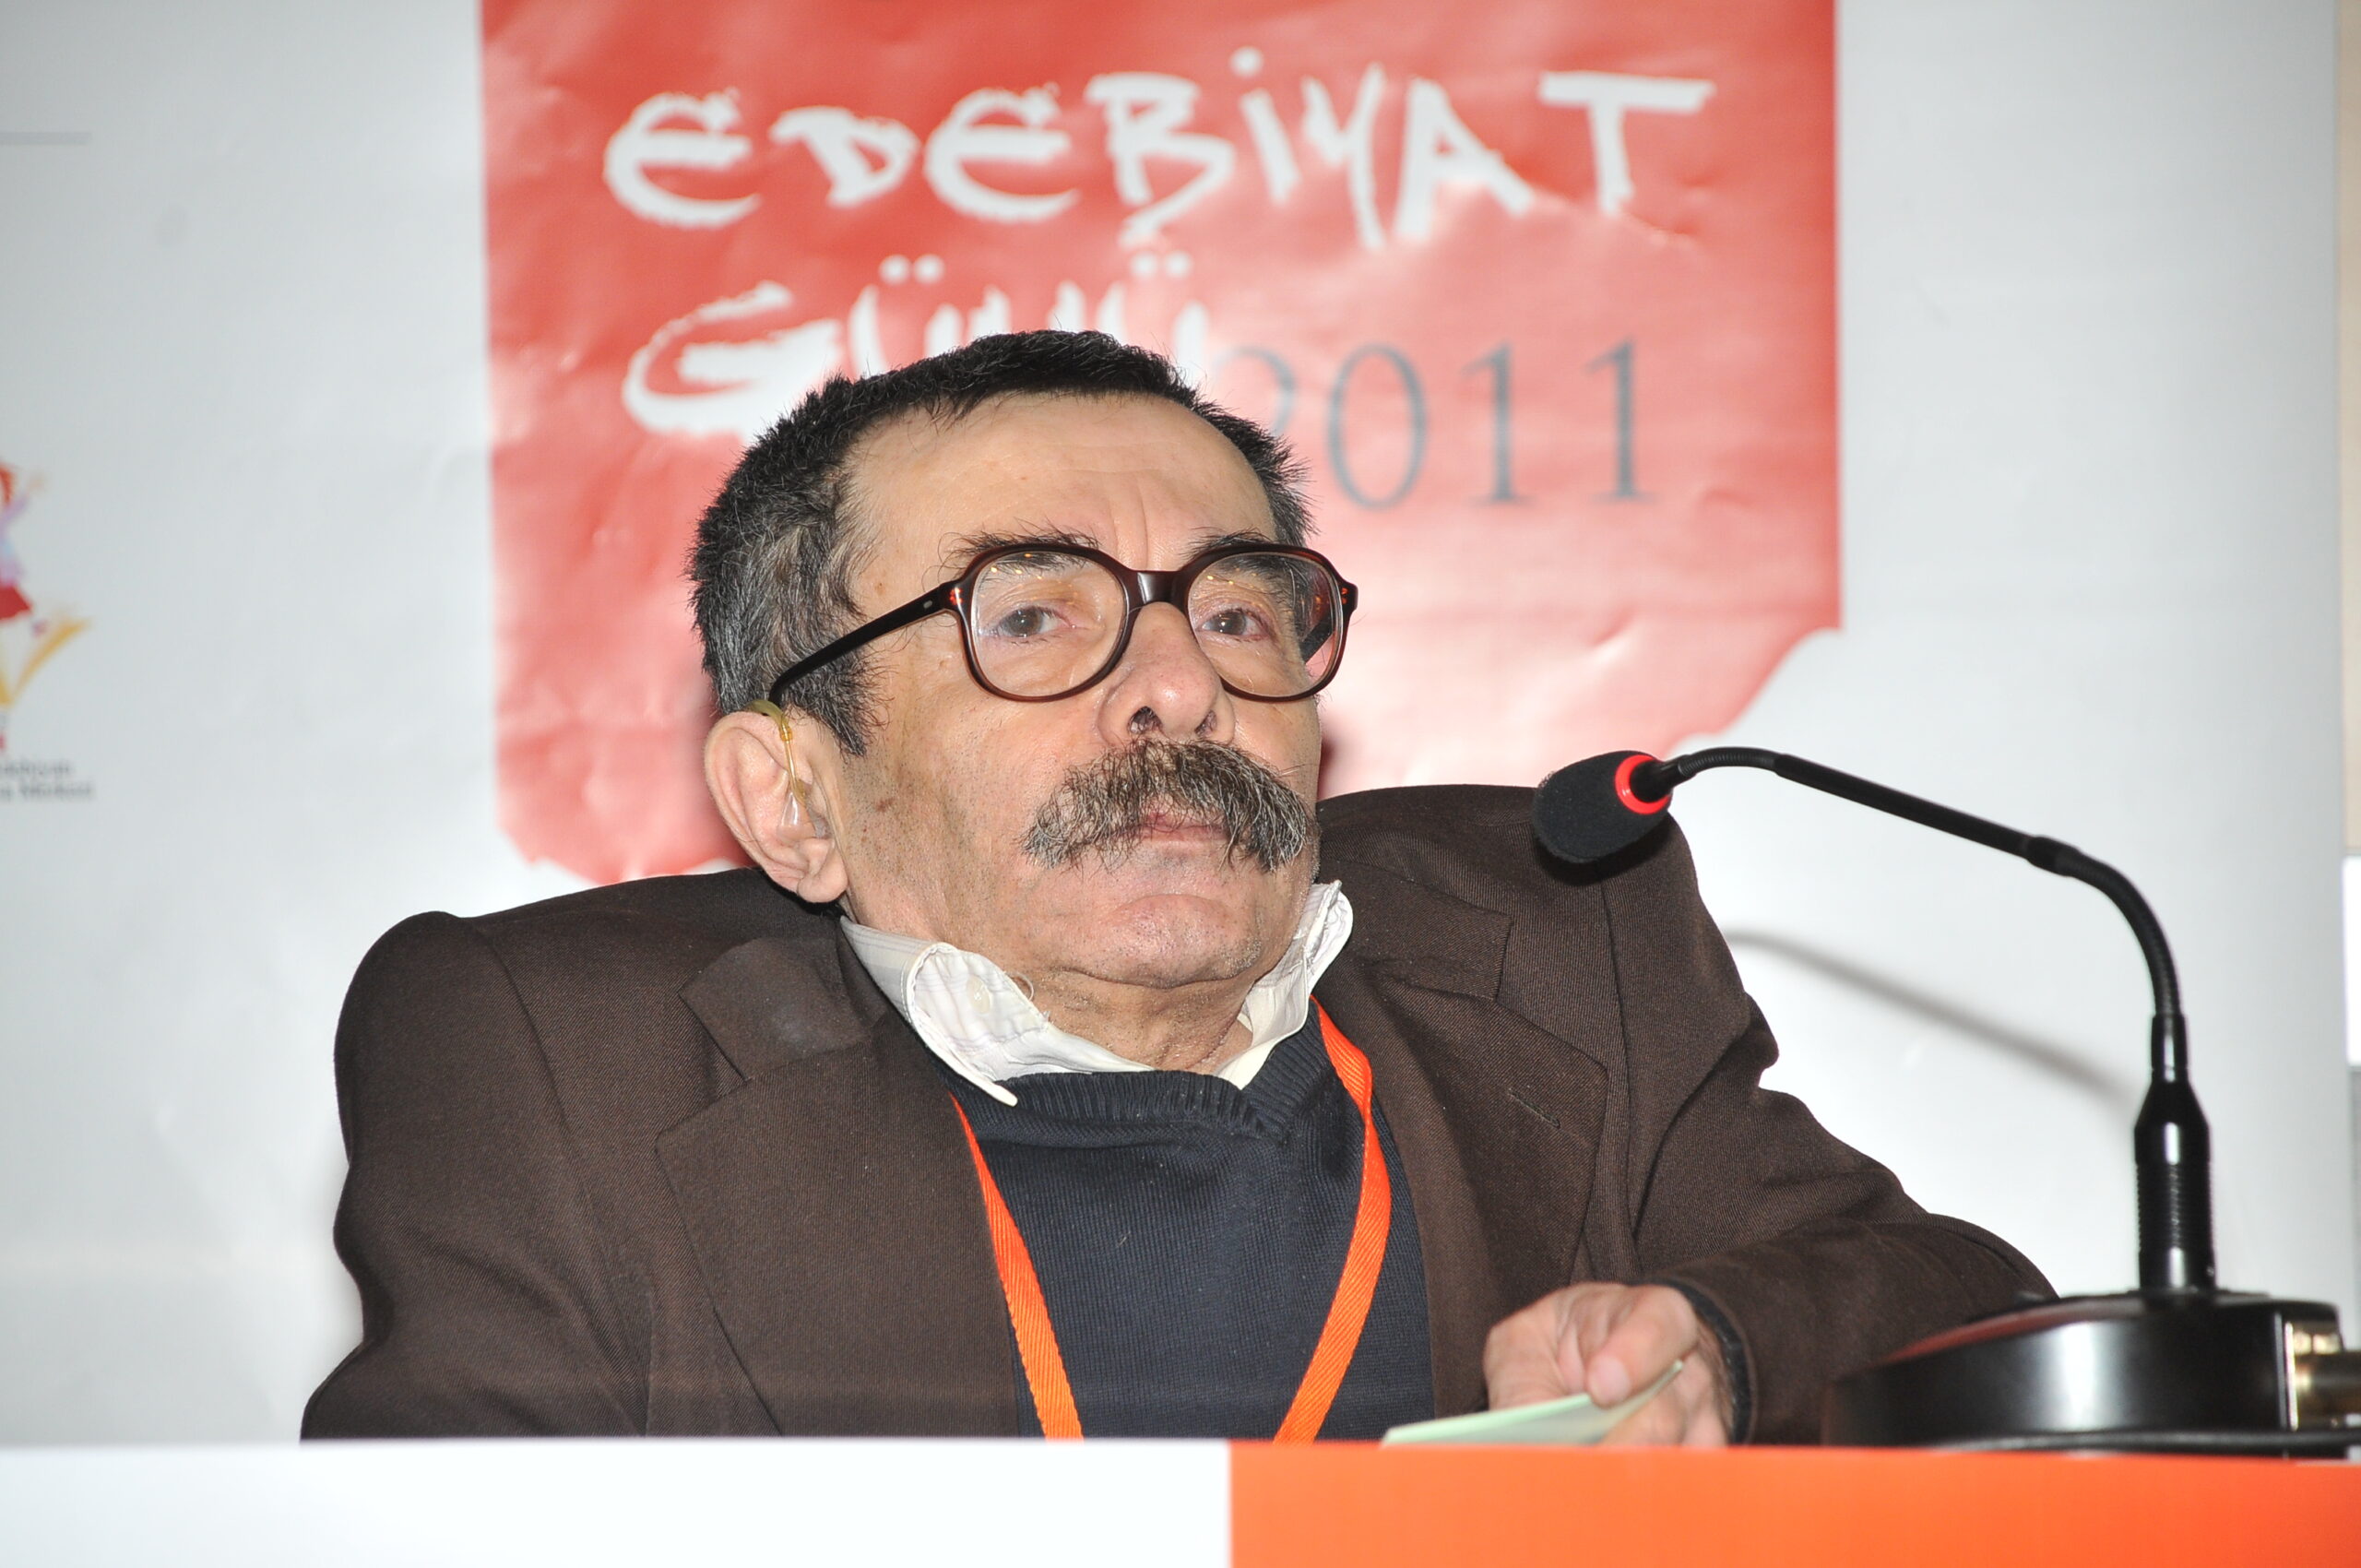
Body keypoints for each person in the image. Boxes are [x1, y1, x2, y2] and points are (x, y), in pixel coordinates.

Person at [304, 331, 2045, 1444]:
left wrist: (1721, 1351)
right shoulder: (556, 1060)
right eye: (1033, 617)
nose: (1178, 687)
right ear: (795, 799)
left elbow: (1959, 1309)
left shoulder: (1549, 934)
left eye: (1234, 610)